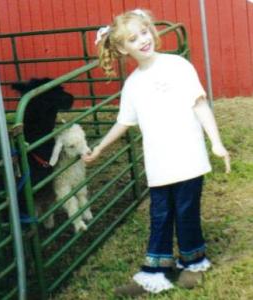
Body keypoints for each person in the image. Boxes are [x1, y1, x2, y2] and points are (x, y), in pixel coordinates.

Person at [83, 9, 231, 298]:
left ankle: (193, 261)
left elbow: (199, 104)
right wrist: (100, 147)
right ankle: (155, 270)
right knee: (160, 213)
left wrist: (216, 142)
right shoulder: (133, 85)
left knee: (186, 209)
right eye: (132, 39)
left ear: (151, 31)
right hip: (159, 161)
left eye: (144, 32)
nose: (142, 40)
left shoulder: (177, 65)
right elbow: (124, 122)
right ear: (123, 48)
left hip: (188, 156)